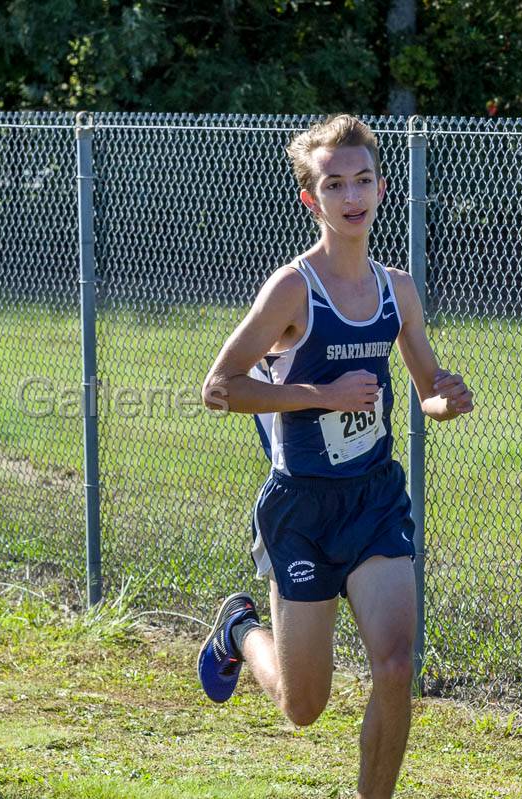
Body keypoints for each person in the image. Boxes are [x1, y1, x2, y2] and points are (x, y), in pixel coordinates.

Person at [197, 114, 474, 799]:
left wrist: (448, 398)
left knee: (395, 665)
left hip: (374, 498)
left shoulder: (397, 289)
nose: (352, 195)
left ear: (381, 189)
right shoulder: (292, 289)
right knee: (302, 705)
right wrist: (321, 393)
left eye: (363, 180)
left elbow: (424, 390)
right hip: (302, 507)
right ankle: (239, 629)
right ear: (311, 199)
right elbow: (219, 388)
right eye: (334, 183)